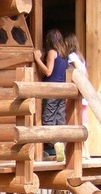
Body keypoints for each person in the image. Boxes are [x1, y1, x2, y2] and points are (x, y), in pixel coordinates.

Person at [34, 29, 68, 159]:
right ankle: (60, 147)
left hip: (51, 90)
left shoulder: (52, 52)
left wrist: (37, 60)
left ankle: (53, 148)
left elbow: (48, 72)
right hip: (62, 90)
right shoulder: (63, 54)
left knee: (48, 118)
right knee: (59, 119)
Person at [64, 32, 90, 159]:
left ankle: (83, 151)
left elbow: (79, 71)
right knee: (83, 121)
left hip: (78, 91)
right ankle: (85, 151)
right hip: (84, 92)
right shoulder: (81, 57)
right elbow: (86, 74)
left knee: (78, 122)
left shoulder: (72, 56)